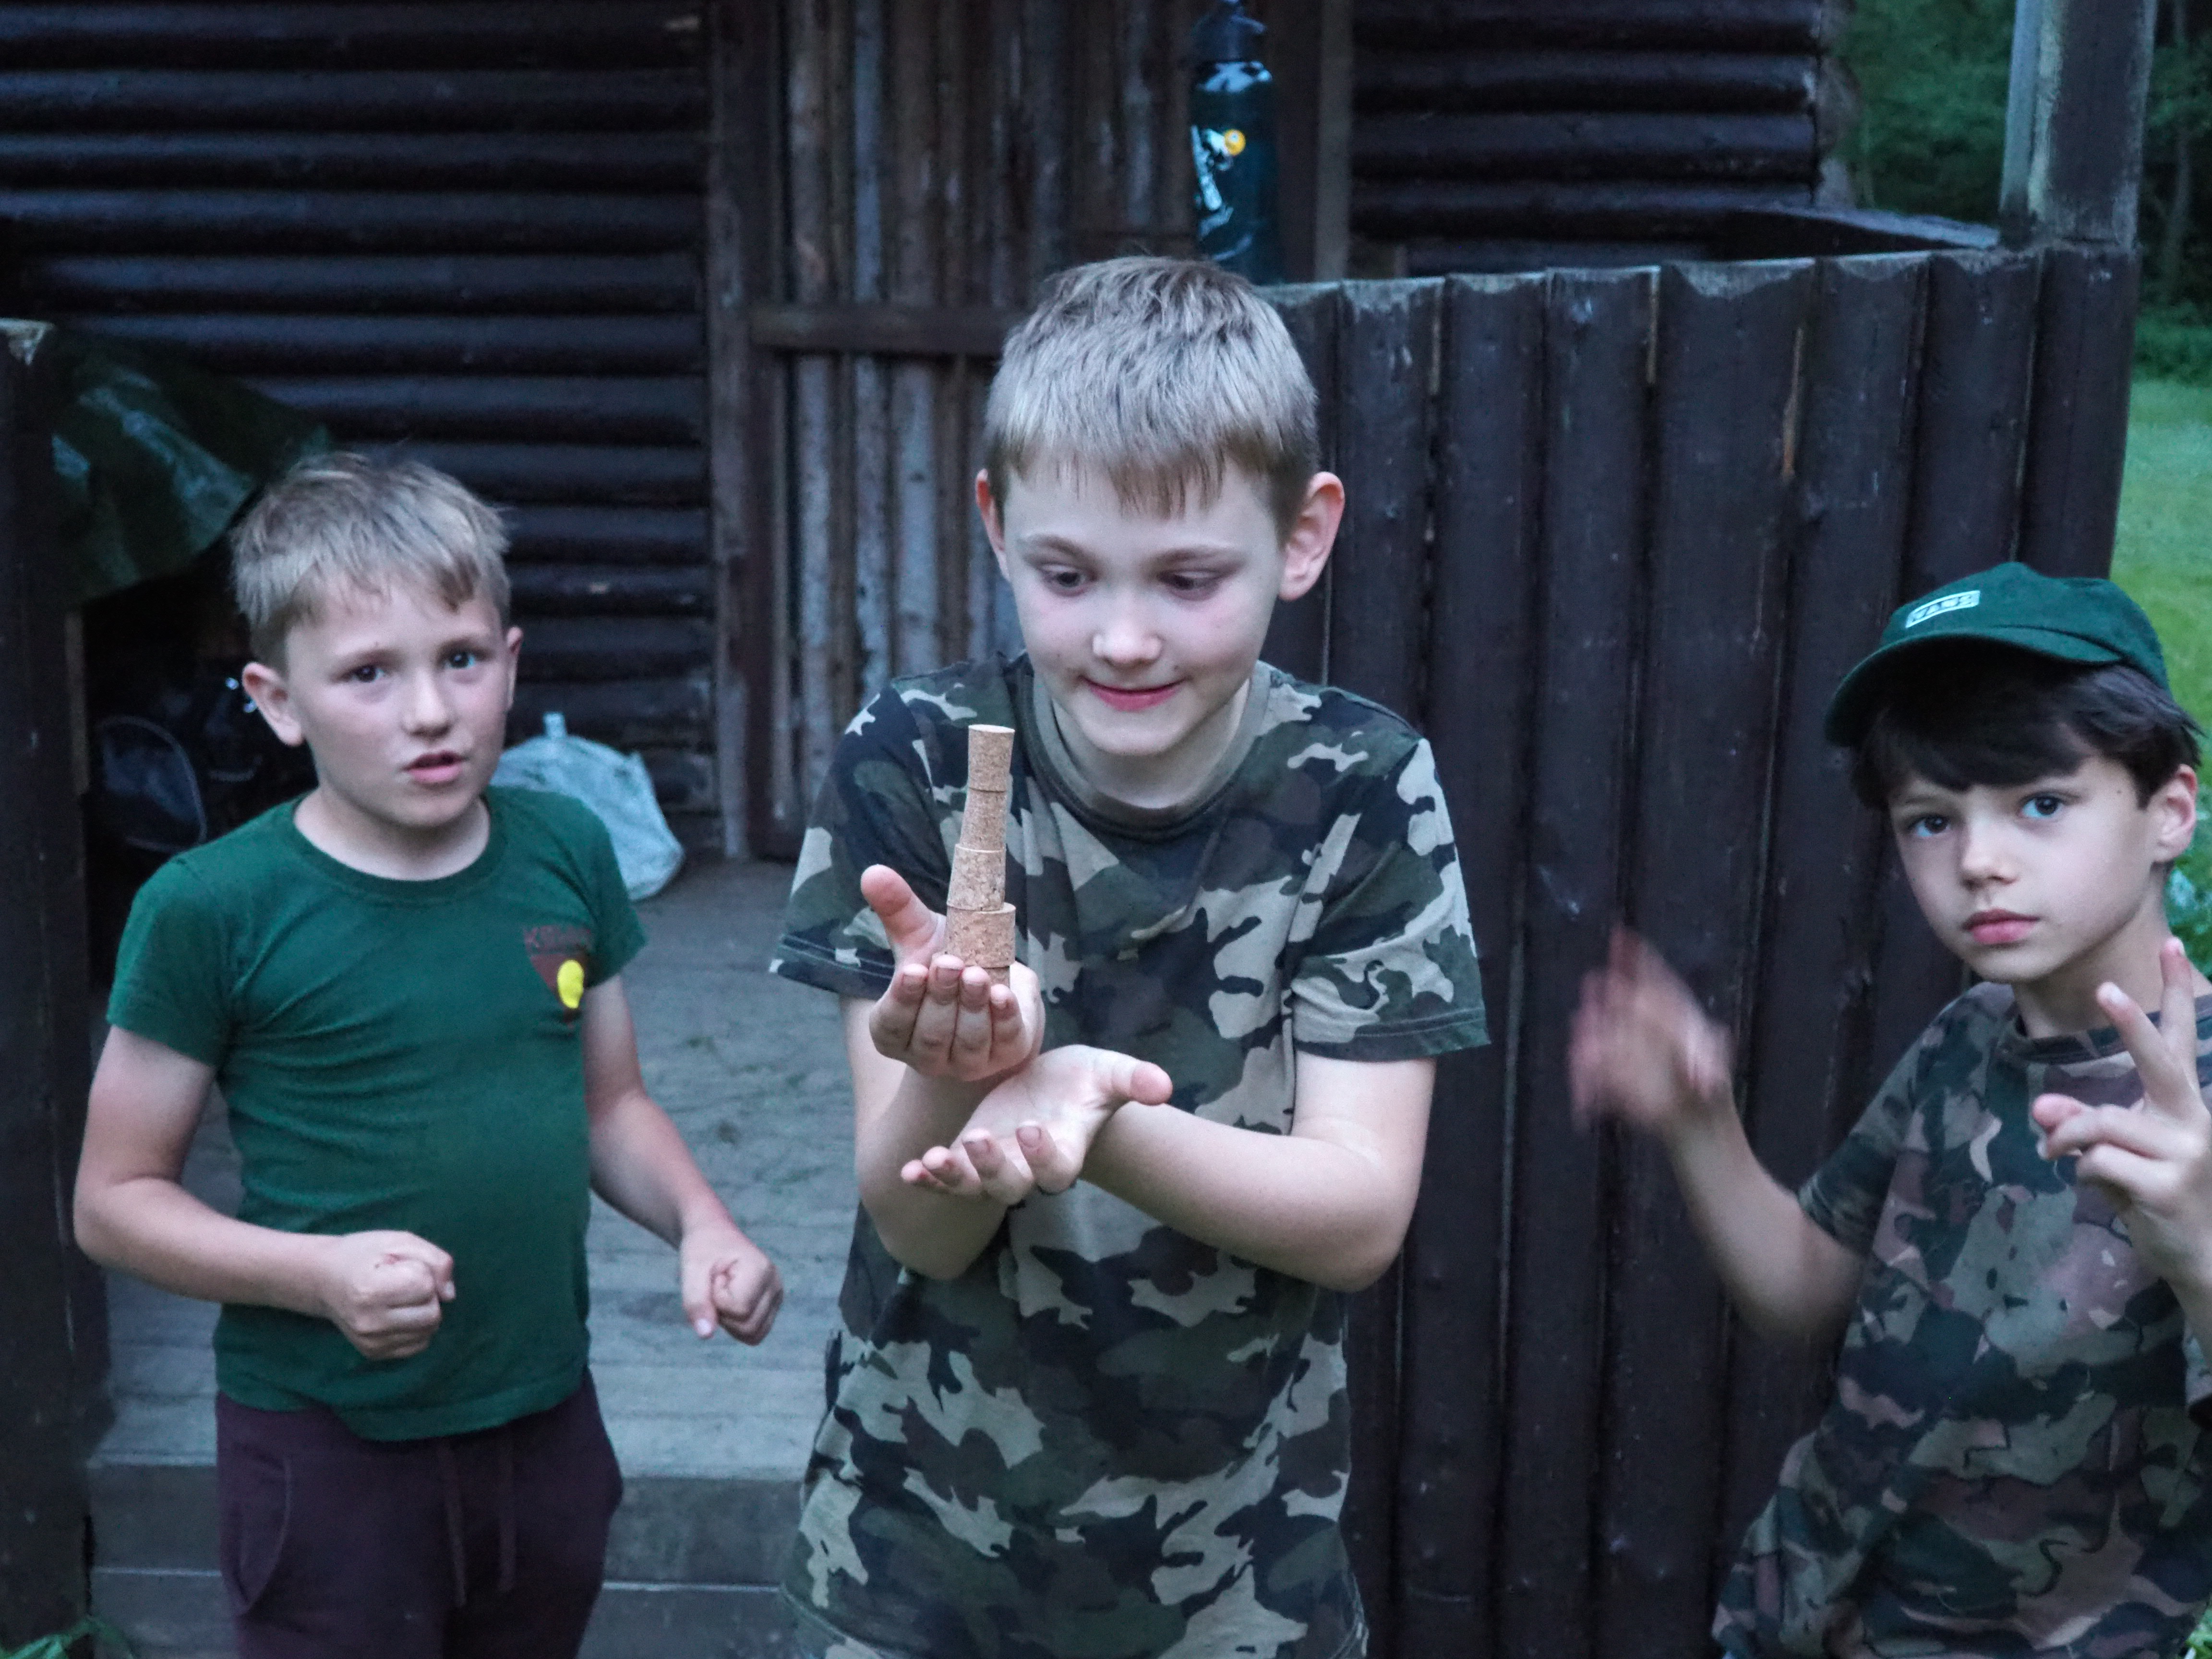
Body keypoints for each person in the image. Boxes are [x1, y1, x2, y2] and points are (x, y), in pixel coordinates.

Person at [769, 256, 1489, 1659]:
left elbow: (1359, 1215)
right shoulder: (913, 757)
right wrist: (958, 1073)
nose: (1122, 636)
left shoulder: (1363, 787)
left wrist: (1089, 1117)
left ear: (1303, 535)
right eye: (1067, 574)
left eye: (1188, 578)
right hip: (910, 1569)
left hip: (1238, 1585)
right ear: (996, 526)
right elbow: (917, 1225)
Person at [73, 454, 784, 1659]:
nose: (429, 712)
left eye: (460, 659)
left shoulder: (565, 850)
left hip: (545, 1417)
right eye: (368, 673)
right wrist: (320, 1277)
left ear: (511, 662)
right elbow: (113, 1203)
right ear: (277, 699)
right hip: (329, 1446)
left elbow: (610, 1104)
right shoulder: (211, 908)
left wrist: (704, 1226)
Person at [1571, 561, 2212, 1656]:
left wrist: (2200, 1248)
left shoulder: (2196, 1108)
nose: (1980, 861)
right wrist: (1697, 1121)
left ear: (2170, 813)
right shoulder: (1968, 1038)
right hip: (1792, 1619)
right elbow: (1803, 1291)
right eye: (1930, 820)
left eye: (2042, 804)